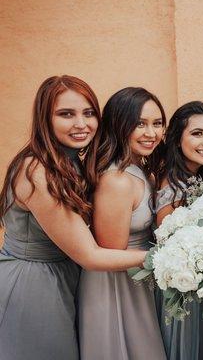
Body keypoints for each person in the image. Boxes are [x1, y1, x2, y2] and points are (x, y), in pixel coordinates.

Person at [0, 76, 146, 360]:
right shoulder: (37, 170)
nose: (81, 124)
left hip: (64, 277)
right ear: (45, 118)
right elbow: (90, 256)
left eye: (89, 113)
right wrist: (163, 256)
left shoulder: (70, 161)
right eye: (66, 114)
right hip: (34, 284)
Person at [77, 87, 167, 360]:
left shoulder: (140, 169)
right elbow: (111, 249)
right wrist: (169, 257)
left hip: (138, 278)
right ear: (119, 125)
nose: (151, 133)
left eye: (157, 123)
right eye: (140, 124)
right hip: (116, 285)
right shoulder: (116, 180)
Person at [154, 101, 203, 360]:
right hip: (181, 291)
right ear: (177, 137)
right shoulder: (171, 185)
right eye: (198, 133)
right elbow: (171, 243)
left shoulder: (199, 176)